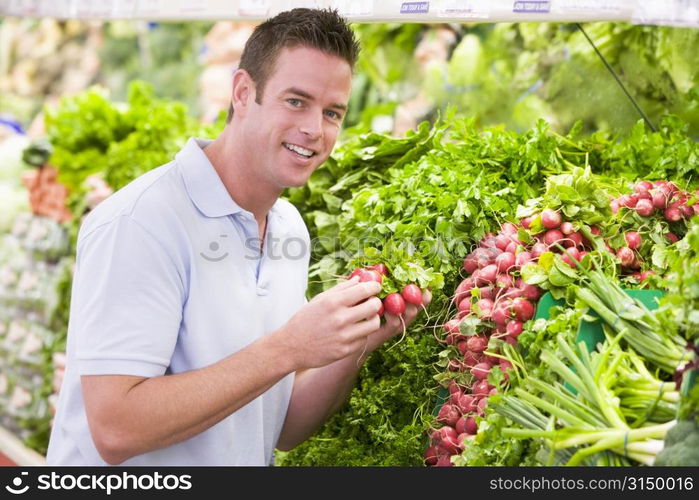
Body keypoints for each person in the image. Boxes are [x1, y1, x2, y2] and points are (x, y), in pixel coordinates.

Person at [46, 8, 429, 466]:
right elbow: (115, 428)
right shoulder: (140, 222)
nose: (314, 129)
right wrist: (289, 346)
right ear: (244, 93)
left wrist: (354, 341)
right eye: (296, 101)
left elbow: (280, 428)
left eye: (332, 112)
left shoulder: (289, 228)